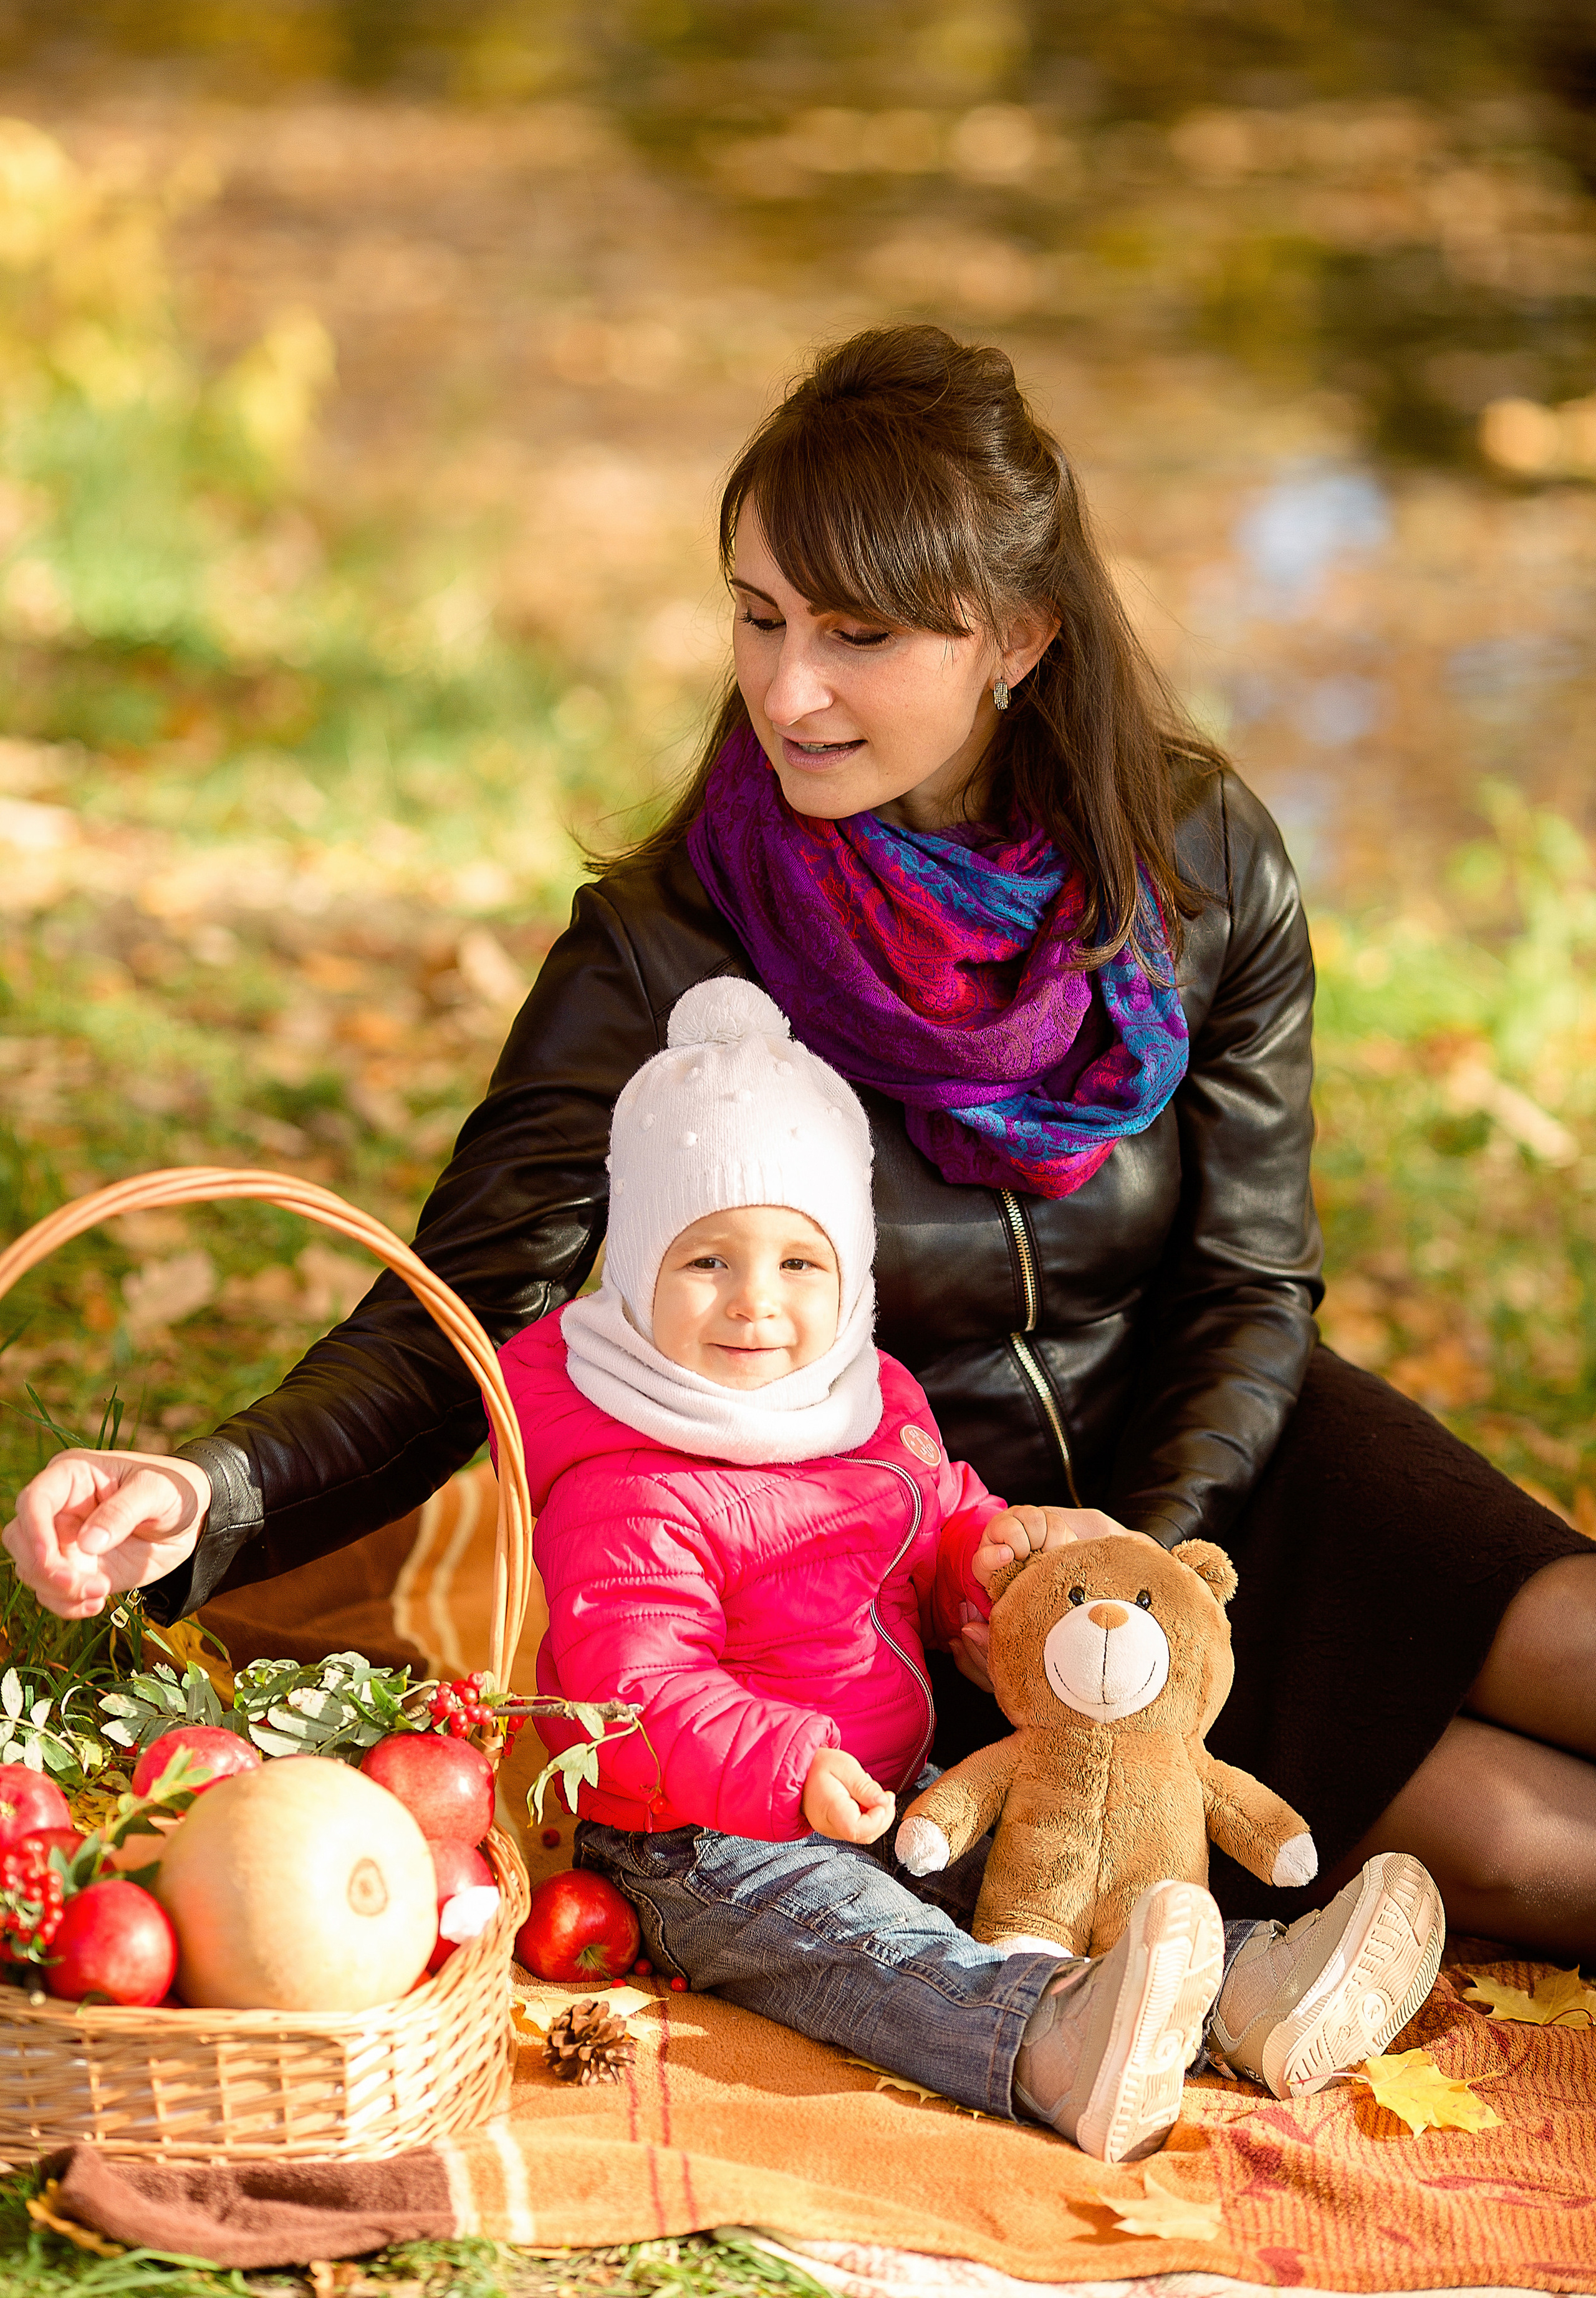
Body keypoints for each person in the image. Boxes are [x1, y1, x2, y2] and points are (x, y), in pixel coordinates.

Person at [6, 324, 1595, 1954]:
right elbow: (454, 1325)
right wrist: (212, 1488)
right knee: (1541, 1854)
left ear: (1020, 638)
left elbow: (1253, 1278)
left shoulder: (1196, 863)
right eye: (758, 617)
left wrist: (1158, 1547)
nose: (787, 686)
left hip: (1218, 1475)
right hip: (915, 1579)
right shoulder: (661, 948)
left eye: (860, 633)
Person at [510, 974, 1441, 2155]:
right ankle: (1045, 2040)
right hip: (693, 1835)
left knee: (1031, 1851)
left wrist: (980, 1557)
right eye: (707, 1263)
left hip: (877, 1782)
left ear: (848, 1271)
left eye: (800, 1264)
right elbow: (625, 1690)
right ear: (638, 1269)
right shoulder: (628, 1479)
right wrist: (787, 1765)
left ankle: (1251, 1986)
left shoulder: (866, 1401)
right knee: (848, 1927)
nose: (757, 1305)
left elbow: (933, 1514)